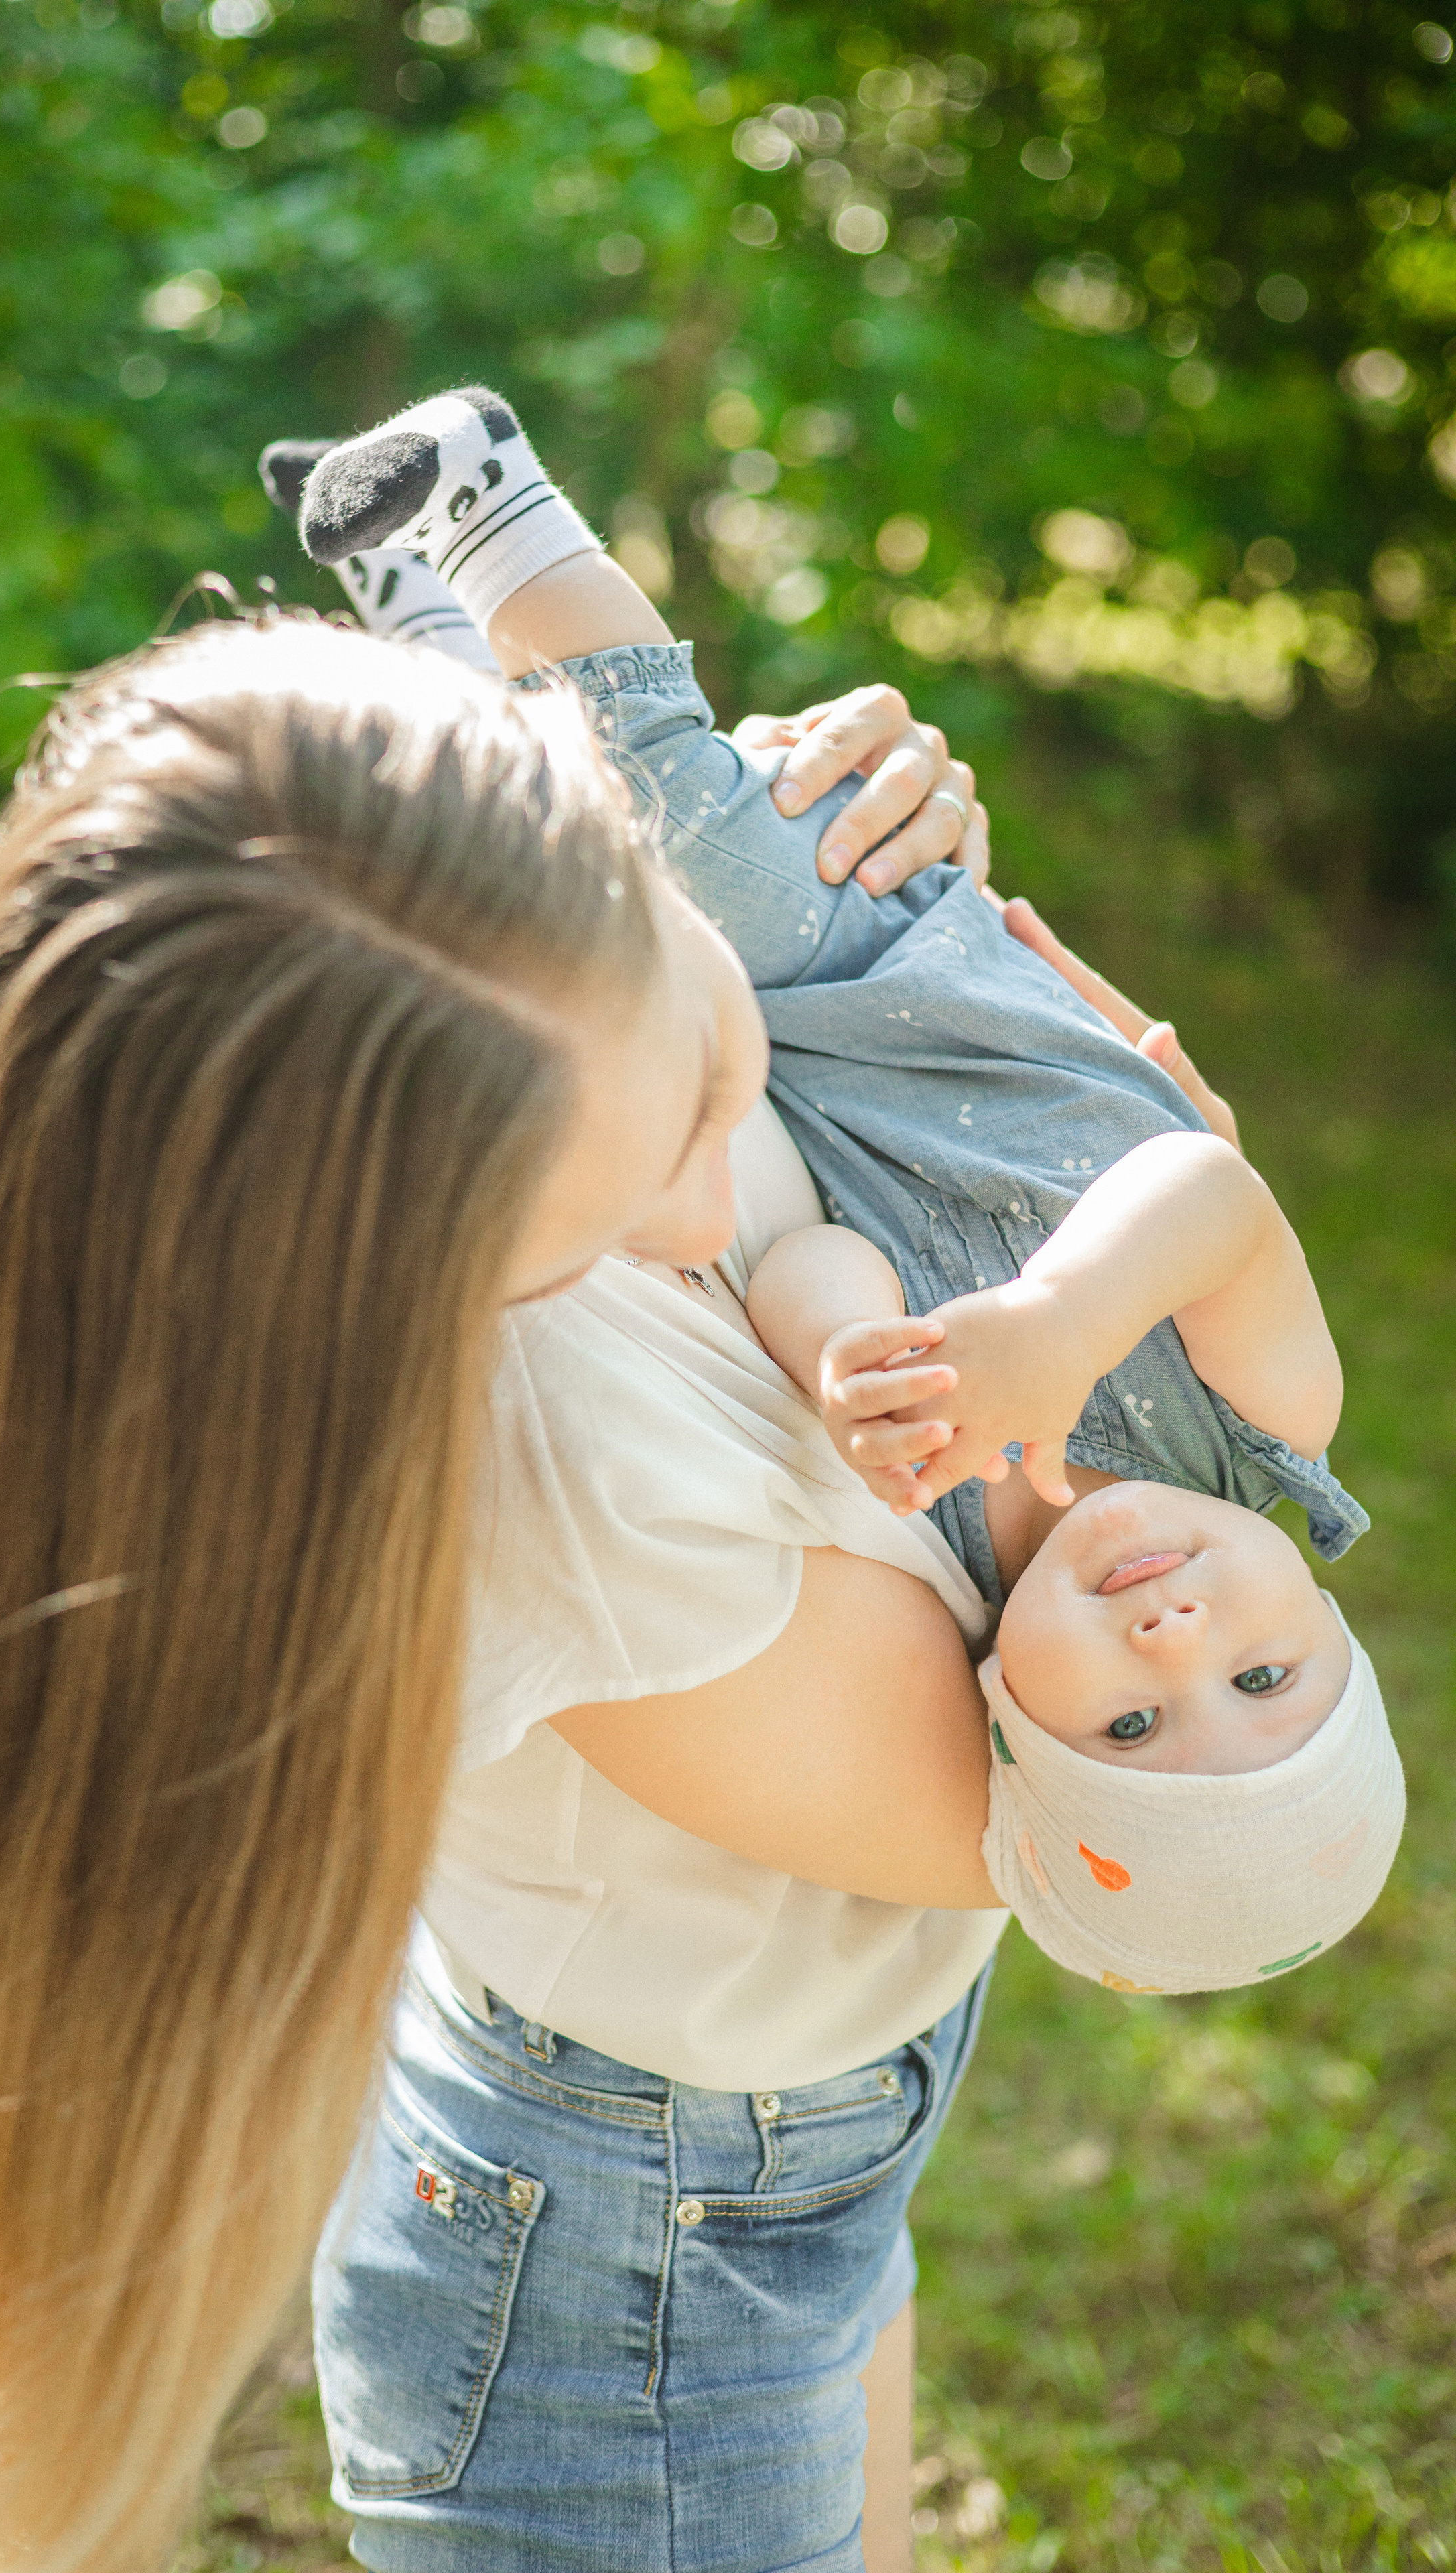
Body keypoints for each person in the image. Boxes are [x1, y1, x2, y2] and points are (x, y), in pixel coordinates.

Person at [264, 393, 1392, 2567]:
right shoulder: (1261, 1442)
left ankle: (419, 624)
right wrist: (1070, 1310)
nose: (1182, 1641)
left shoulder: (920, 1564)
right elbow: (1200, 1184)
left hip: (676, 2152)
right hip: (938, 1024)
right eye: (1276, 1677)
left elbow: (786, 1248)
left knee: (660, 831)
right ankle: (485, 521)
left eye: (1142, 1731)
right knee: (689, 803)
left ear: (1022, 1757)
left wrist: (845, 1345)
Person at [0, 588, 1000, 2573]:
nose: (713, 1204)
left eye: (707, 1075)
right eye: (589, 1241)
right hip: (644, 2248)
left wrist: (897, 929)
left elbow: (838, 1136)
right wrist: (1133, 1206)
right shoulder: (558, 1477)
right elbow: (1016, 1799)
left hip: (796, 2097)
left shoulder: (539, 980)